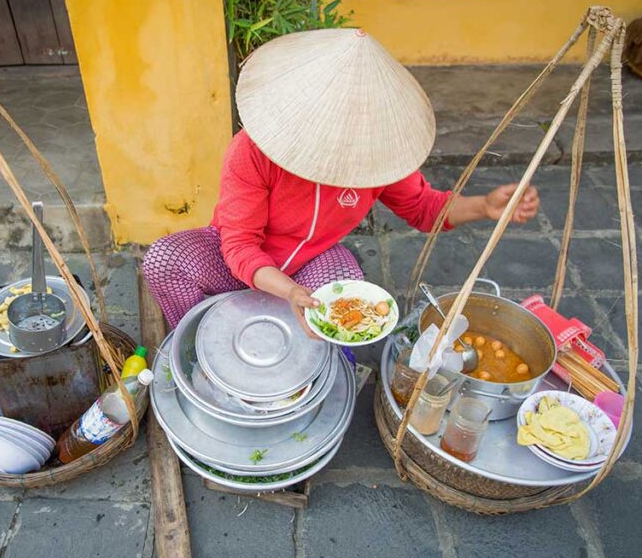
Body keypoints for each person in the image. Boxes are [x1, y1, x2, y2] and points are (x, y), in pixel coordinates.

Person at [143, 29, 539, 332]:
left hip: (312, 259)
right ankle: (199, 341)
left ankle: (319, 366)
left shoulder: (375, 155)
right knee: (163, 261)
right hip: (236, 260)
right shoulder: (251, 150)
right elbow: (240, 245)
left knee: (345, 292)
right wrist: (288, 292)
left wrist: (484, 207)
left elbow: (424, 208)